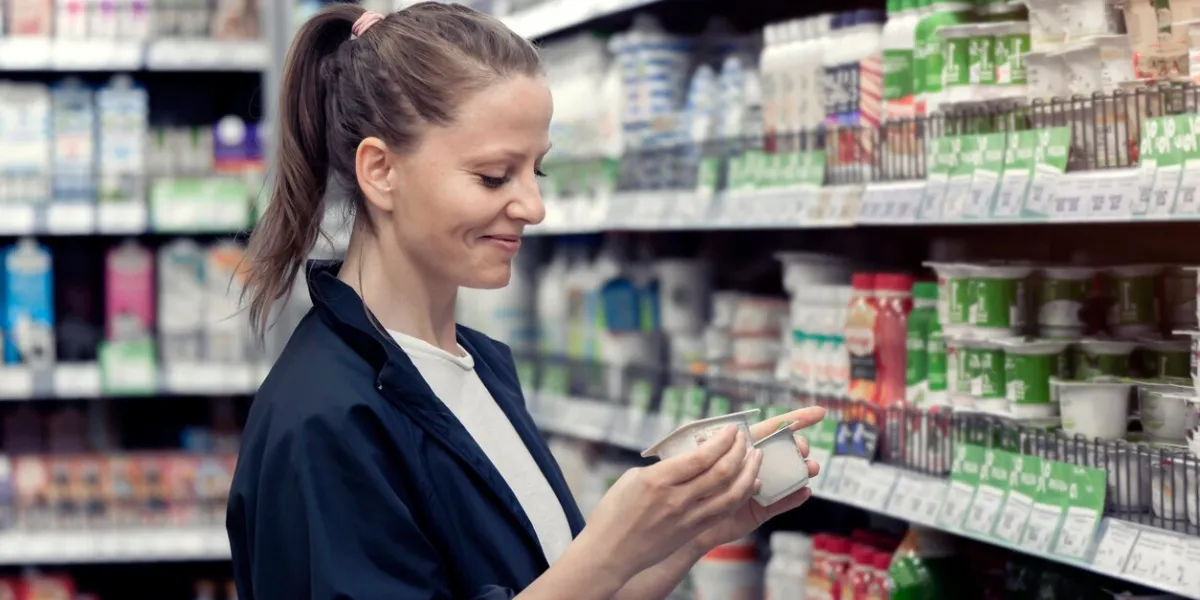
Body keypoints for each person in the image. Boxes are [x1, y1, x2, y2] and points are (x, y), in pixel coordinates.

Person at [226, 3, 824, 600]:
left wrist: (690, 533)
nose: (534, 208)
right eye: (494, 176)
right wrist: (606, 548)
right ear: (381, 170)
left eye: (537, 171)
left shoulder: (475, 368)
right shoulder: (322, 421)